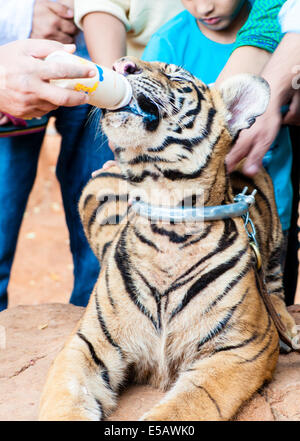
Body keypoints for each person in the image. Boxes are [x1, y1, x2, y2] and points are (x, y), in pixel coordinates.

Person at [142, 0, 293, 243]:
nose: (204, 8)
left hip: (271, 213)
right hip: (190, 219)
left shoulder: (286, 30)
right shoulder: (168, 43)